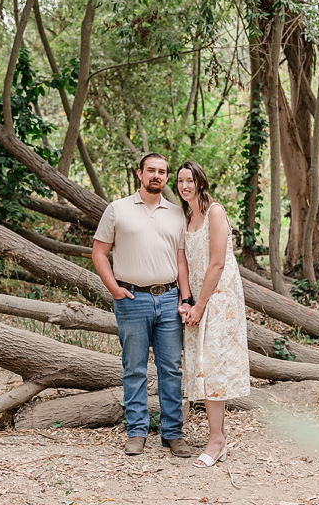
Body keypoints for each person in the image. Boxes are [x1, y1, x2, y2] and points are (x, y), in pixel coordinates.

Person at [92, 152, 193, 458]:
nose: (157, 176)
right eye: (151, 170)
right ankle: (137, 431)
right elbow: (99, 252)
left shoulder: (177, 213)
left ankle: (173, 433)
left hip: (169, 298)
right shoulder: (117, 209)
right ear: (139, 173)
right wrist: (115, 289)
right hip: (132, 299)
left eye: (162, 172)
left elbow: (181, 259)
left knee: (171, 369)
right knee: (134, 368)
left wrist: (185, 297)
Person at [176, 160, 250, 468]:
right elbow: (182, 261)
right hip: (196, 302)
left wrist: (201, 306)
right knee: (201, 367)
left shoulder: (214, 213)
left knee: (214, 367)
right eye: (180, 181)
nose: (184, 186)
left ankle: (217, 440)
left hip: (218, 302)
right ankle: (216, 436)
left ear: (201, 183)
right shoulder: (186, 217)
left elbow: (217, 263)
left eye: (189, 180)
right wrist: (186, 300)